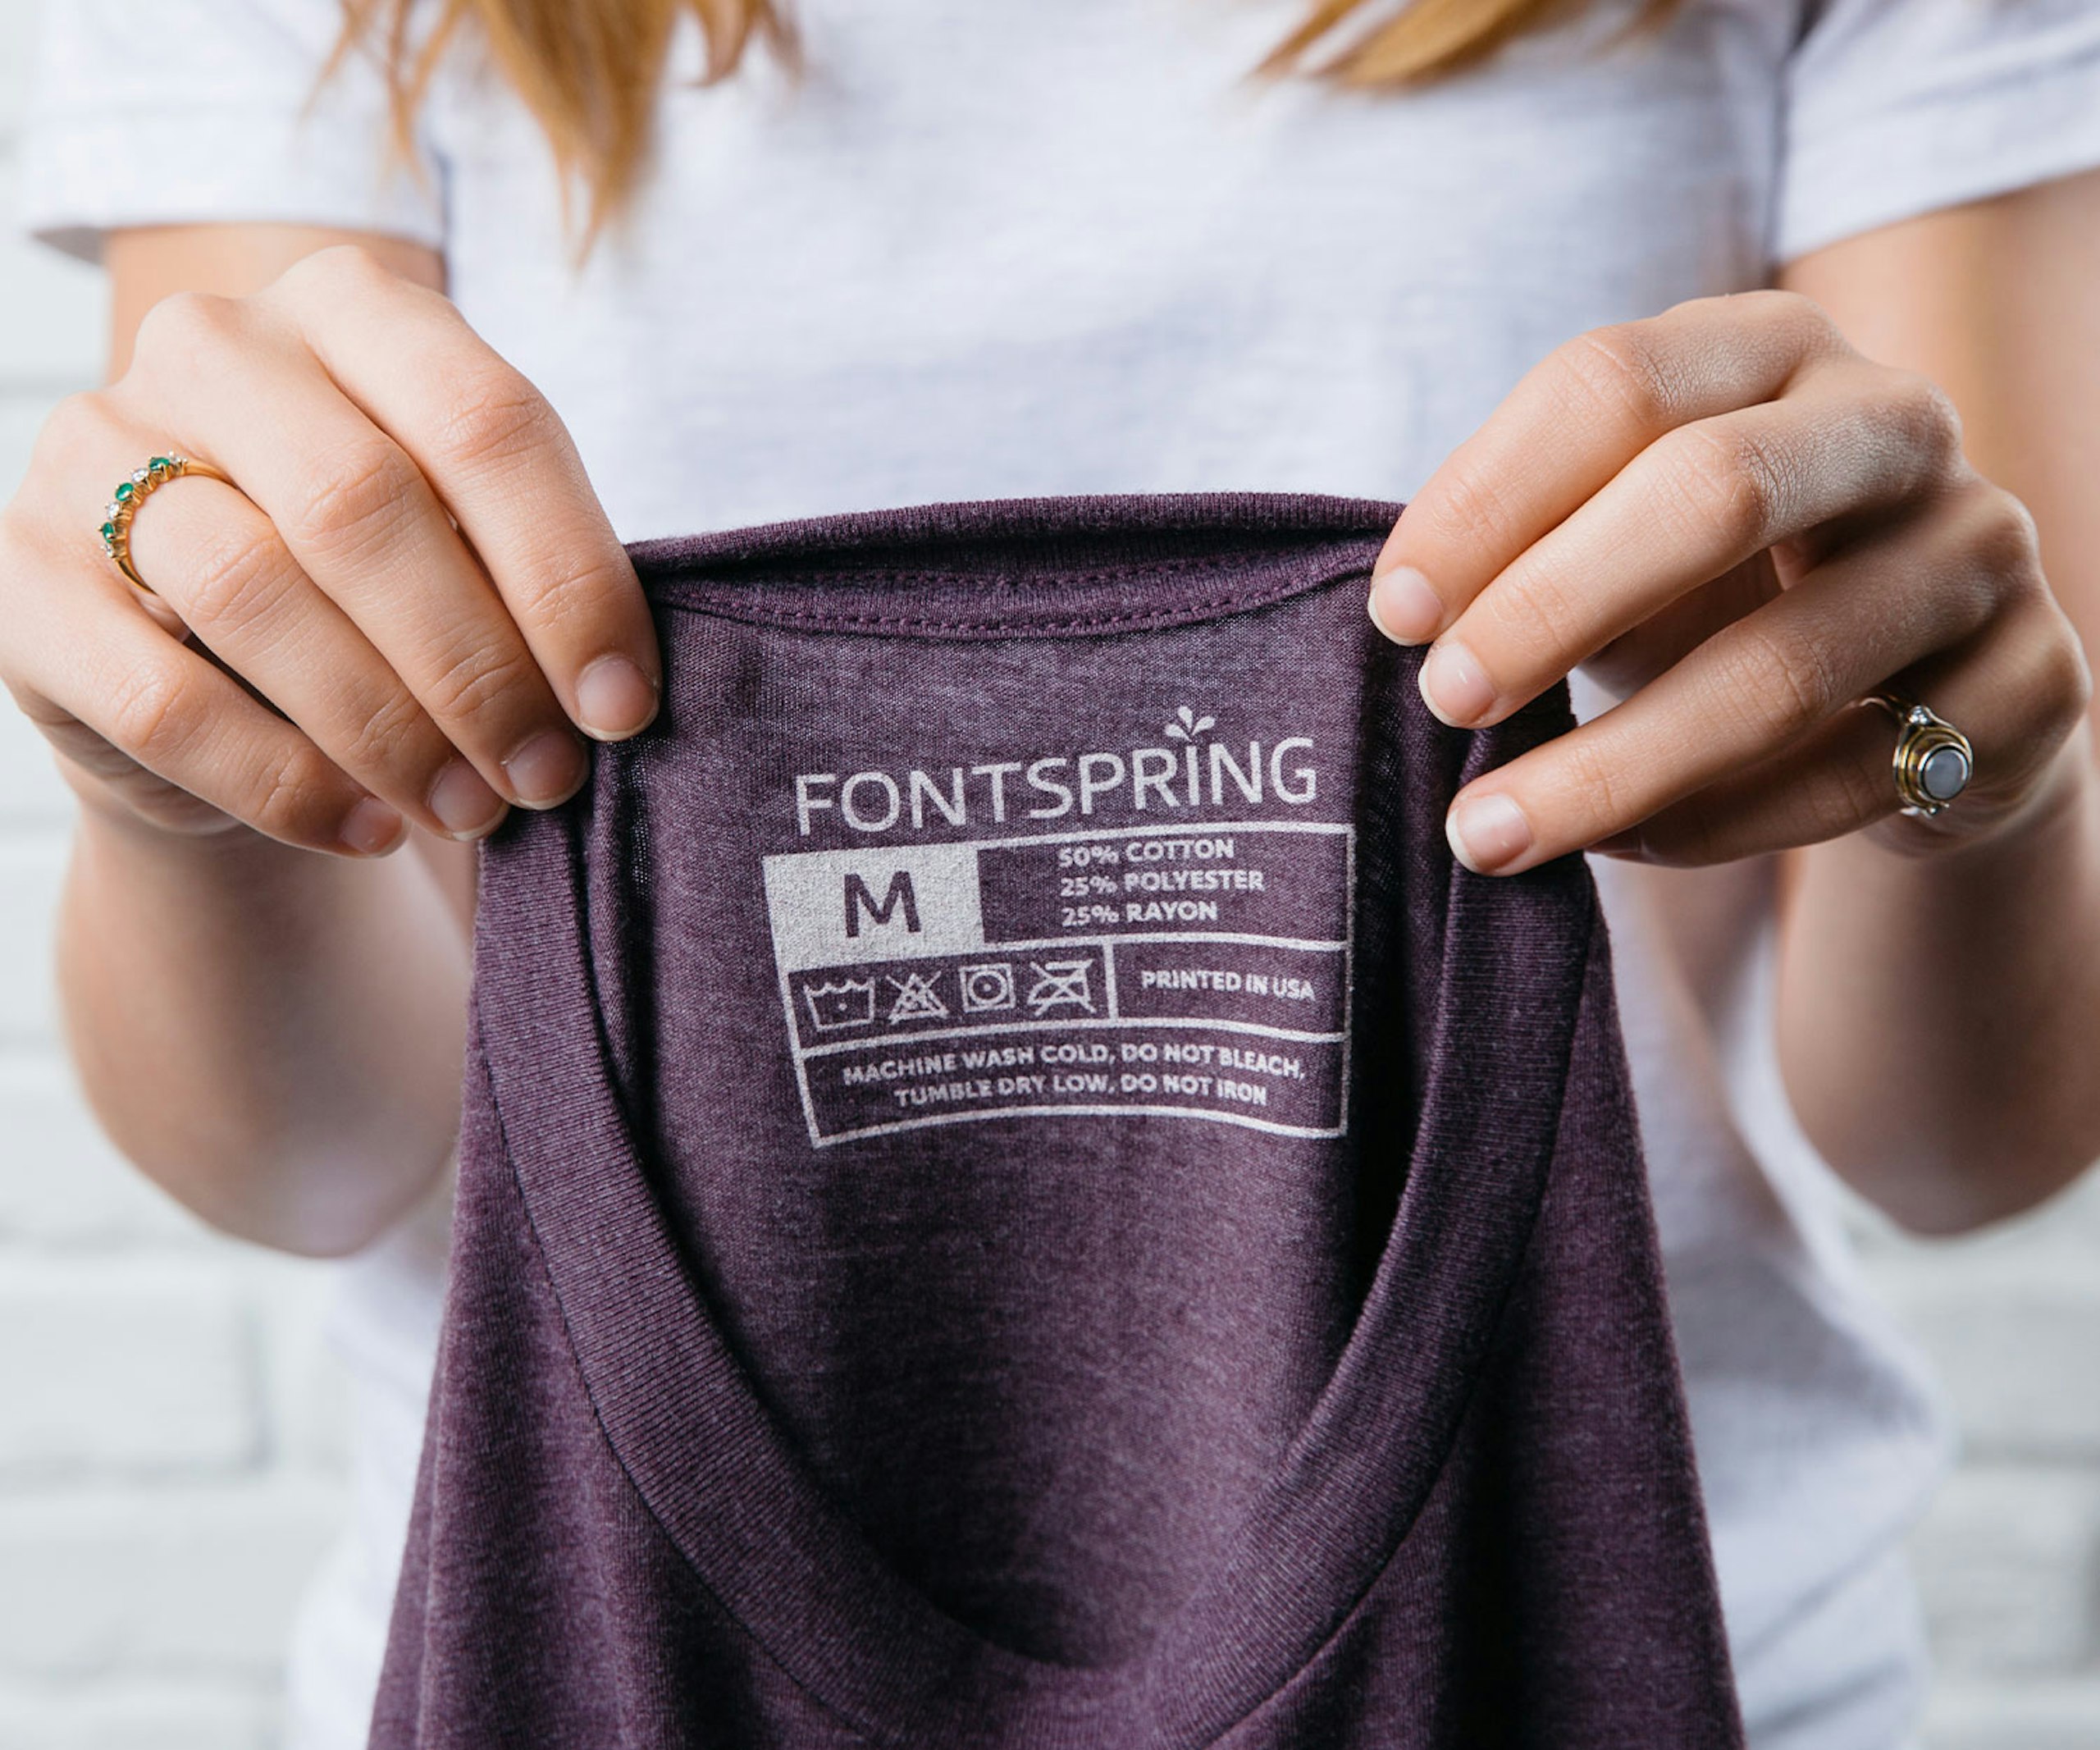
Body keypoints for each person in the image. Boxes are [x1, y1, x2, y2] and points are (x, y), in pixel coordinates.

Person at [4, 0, 2098, 1743]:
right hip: (618, 1647)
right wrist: (174, 784)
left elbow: (1958, 1143)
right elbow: (315, 1162)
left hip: (1617, 1619)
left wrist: (1967, 785)